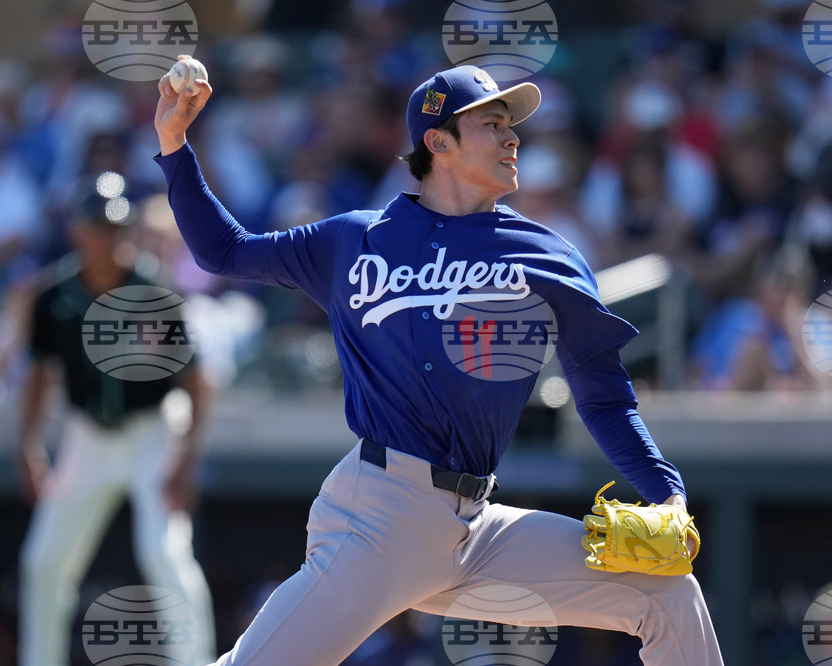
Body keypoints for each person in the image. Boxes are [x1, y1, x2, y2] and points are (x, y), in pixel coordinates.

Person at [154, 60, 723, 665]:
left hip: (475, 528)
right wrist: (174, 144)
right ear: (438, 141)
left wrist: (667, 495)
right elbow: (224, 250)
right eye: (493, 123)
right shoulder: (354, 240)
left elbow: (605, 398)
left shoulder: (548, 255)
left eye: (513, 126)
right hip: (377, 518)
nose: (513, 138)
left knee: (668, 594)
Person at [17, 189, 216, 665]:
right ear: (78, 233)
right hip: (87, 434)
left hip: (153, 429)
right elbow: (39, 377)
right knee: (43, 562)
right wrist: (27, 446)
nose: (110, 239)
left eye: (118, 228)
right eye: (100, 228)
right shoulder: (53, 297)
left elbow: (197, 383)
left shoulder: (154, 290)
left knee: (164, 553)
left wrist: (187, 458)